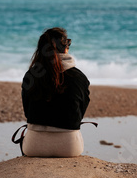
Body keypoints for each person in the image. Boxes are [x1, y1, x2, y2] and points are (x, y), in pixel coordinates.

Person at [20, 27, 91, 157]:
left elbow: (27, 112)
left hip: (34, 146)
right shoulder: (80, 77)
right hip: (69, 147)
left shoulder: (31, 75)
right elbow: (79, 115)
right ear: (65, 48)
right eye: (68, 42)